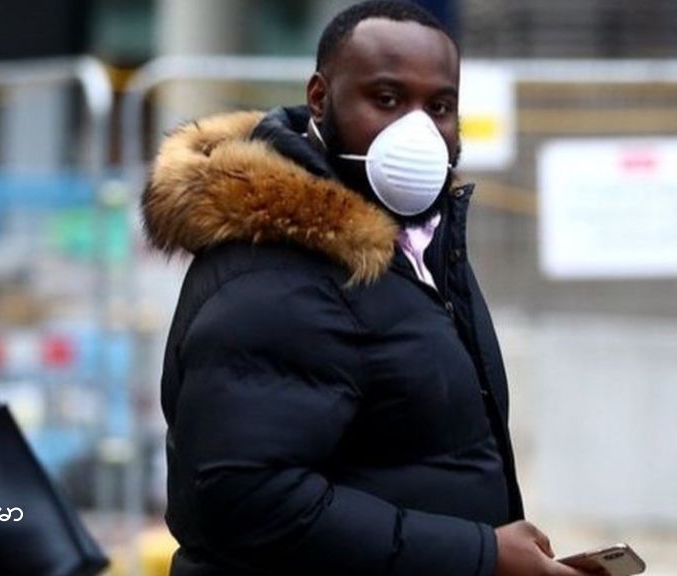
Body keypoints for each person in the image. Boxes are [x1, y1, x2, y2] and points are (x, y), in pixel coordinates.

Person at [143, 2, 602, 575]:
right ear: (320, 98)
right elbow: (247, 500)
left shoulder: (415, 247)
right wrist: (483, 554)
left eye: (439, 107)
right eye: (386, 99)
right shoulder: (274, 272)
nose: (417, 131)